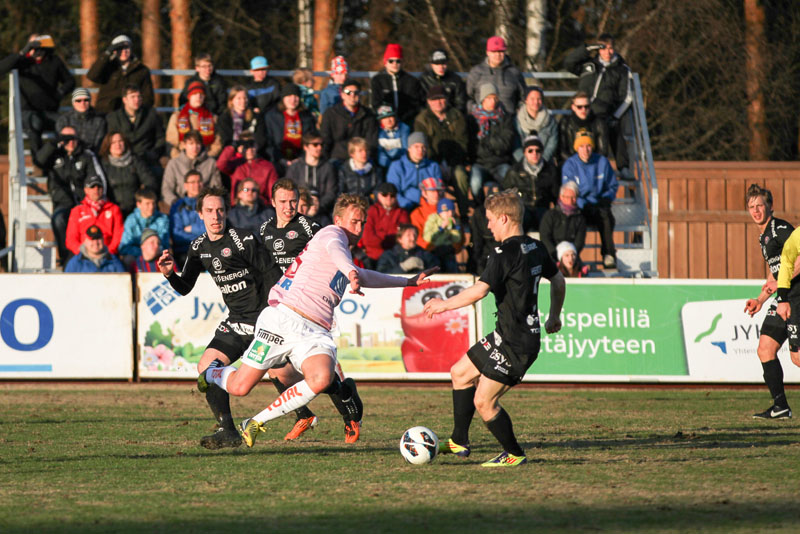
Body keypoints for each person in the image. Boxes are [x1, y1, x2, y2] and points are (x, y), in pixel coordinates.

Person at [197, 194, 437, 448]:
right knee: (239, 386)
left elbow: (364, 275)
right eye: (354, 221)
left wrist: (407, 281)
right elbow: (340, 255)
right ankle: (212, 372)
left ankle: (255, 422)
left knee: (322, 378)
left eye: (363, 223)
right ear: (338, 220)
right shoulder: (331, 235)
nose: (359, 228)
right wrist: (351, 271)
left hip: (314, 331)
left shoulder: (342, 255)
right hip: (283, 319)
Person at [424, 189, 566, 467]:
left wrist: (444, 305)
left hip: (517, 345)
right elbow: (559, 281)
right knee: (460, 373)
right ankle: (459, 442)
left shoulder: (503, 252)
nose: (487, 226)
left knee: (484, 402)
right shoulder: (536, 247)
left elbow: (478, 292)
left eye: (490, 220)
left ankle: (514, 454)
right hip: (509, 336)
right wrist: (554, 317)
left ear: (503, 218)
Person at [156, 186, 277, 450]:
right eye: (209, 211)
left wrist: (273, 315)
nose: (216, 216)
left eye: (220, 210)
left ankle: (338, 401)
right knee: (205, 367)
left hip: (264, 321)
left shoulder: (242, 239)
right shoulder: (198, 247)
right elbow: (186, 287)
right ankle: (227, 430)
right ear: (200, 214)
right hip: (236, 322)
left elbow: (271, 276)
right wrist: (170, 275)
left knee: (293, 375)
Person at [744, 184, 795, 419]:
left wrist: (782, 280)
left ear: (770, 207)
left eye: (759, 206)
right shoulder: (764, 237)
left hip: (796, 297)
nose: (755, 211)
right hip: (782, 298)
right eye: (751, 207)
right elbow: (775, 272)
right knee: (765, 348)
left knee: (797, 358)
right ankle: (780, 407)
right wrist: (761, 299)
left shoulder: (780, 228)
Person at [564, 34, 633, 178]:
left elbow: (627, 96)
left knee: (614, 127)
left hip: (604, 112)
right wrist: (587, 48)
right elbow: (569, 62)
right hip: (582, 110)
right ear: (598, 49)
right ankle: (569, 165)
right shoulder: (589, 65)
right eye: (604, 48)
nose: (608, 52)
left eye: (611, 48)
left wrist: (616, 115)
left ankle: (622, 167)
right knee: (565, 125)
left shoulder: (621, 69)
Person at [36, 126, 105, 264]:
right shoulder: (54, 155)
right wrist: (54, 144)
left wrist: (92, 199)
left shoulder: (86, 155)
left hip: (83, 202)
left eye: (73, 138)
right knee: (59, 220)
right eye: (66, 139)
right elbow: (39, 161)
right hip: (63, 202)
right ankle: (66, 257)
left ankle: (94, 258)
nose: (70, 142)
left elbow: (95, 178)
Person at [0, 34, 74, 163]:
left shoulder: (54, 61)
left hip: (50, 112)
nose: (36, 49)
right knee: (35, 123)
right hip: (28, 113)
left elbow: (70, 81)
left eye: (39, 45)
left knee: (66, 125)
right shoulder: (22, 62)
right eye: (32, 45)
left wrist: (60, 93)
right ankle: (39, 164)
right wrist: (23, 52)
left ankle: (63, 163)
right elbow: (2, 68)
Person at [561, 130, 619, 269]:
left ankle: (609, 254)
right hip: (580, 205)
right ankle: (573, 257)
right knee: (574, 220)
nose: (585, 150)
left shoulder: (602, 162)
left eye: (588, 146)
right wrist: (580, 203)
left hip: (599, 204)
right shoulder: (570, 165)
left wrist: (607, 198)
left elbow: (613, 185)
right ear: (577, 148)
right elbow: (568, 189)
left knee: (606, 217)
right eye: (581, 146)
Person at [414, 85, 470, 215]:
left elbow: (463, 142)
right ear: (428, 102)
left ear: (446, 99)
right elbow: (423, 145)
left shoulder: (456, 116)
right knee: (432, 183)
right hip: (433, 163)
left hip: (455, 162)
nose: (438, 102)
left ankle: (464, 214)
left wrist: (454, 162)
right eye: (434, 99)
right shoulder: (422, 119)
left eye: (441, 99)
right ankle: (435, 216)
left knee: (461, 176)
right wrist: (436, 163)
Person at [502, 133, 560, 232]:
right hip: (523, 208)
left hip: (542, 208)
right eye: (530, 150)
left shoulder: (550, 170)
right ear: (524, 152)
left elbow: (556, 195)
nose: (534, 154)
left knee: (550, 225)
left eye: (538, 150)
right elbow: (506, 196)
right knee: (517, 224)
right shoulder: (514, 171)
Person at [105, 85, 166, 174]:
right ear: (124, 100)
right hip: (123, 158)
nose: (136, 100)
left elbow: (160, 137)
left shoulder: (151, 115)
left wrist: (153, 153)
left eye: (139, 96)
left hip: (147, 158)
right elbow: (110, 140)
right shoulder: (113, 118)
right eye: (133, 97)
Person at [87, 34, 154, 114]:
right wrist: (106, 54)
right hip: (106, 112)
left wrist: (139, 113)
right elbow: (92, 76)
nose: (124, 51)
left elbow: (148, 96)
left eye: (127, 48)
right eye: (119, 48)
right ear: (114, 51)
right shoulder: (107, 67)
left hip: (131, 113)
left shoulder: (141, 70)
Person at [468, 83, 515, 197]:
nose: (493, 101)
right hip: (479, 163)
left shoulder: (505, 118)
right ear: (483, 99)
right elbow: (472, 145)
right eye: (489, 98)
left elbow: (506, 143)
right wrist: (493, 144)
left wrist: (486, 142)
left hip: (500, 162)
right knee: (475, 182)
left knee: (510, 182)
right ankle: (479, 208)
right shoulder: (472, 119)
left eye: (495, 98)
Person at [98, 131, 157, 217]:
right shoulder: (103, 164)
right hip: (111, 210)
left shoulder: (135, 160)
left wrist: (142, 198)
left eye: (120, 141)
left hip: (135, 209)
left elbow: (150, 181)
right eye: (113, 142)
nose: (118, 145)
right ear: (108, 146)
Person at [320, 78, 378, 164]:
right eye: (348, 92)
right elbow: (326, 139)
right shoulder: (331, 114)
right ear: (342, 95)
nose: (352, 95)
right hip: (337, 157)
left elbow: (371, 141)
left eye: (356, 93)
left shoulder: (368, 115)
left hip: (361, 158)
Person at [65, 175, 124, 256]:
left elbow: (118, 236)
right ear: (86, 190)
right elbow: (71, 240)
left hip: (107, 253)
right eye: (92, 187)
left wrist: (108, 253)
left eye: (99, 186)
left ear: (103, 189)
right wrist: (84, 253)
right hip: (83, 254)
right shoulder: (77, 211)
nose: (96, 189)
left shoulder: (114, 209)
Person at [264, 83, 317, 172]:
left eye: (296, 96)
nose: (293, 100)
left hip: (302, 161)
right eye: (289, 96)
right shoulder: (272, 117)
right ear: (283, 98)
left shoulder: (307, 117)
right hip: (277, 161)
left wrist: (301, 159)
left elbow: (311, 140)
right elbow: (268, 142)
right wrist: (282, 160)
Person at [162, 131, 223, 207]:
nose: (195, 147)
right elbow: (167, 189)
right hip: (180, 204)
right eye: (191, 144)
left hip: (205, 205)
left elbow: (216, 188)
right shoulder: (173, 164)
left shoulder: (211, 163)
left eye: (198, 144)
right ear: (184, 145)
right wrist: (176, 203)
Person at [466, 36, 525, 114]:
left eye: (501, 51)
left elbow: (523, 97)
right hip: (482, 121)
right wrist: (476, 110)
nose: (498, 55)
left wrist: (519, 112)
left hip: (508, 121)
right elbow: (468, 97)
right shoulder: (476, 72)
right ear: (487, 52)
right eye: (494, 51)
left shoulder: (514, 72)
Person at [216, 134, 278, 207]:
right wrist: (233, 146)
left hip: (260, 207)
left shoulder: (267, 166)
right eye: (246, 147)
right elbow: (220, 164)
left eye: (252, 145)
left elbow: (273, 192)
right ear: (239, 148)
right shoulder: (235, 164)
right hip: (237, 207)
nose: (249, 150)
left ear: (257, 146)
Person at [387, 132, 443, 210]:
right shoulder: (397, 166)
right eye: (416, 146)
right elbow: (394, 191)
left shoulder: (433, 166)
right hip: (404, 207)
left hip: (428, 207)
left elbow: (438, 190)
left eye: (423, 147)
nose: (420, 150)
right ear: (409, 148)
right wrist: (407, 205)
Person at [286, 133, 338, 217]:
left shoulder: (328, 167)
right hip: (297, 211)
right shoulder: (295, 167)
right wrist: (302, 205)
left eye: (321, 144)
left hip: (322, 212)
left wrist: (318, 205)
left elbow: (331, 192)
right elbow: (289, 189)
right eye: (315, 145)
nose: (319, 147)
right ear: (305, 147)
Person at [370, 43, 423, 126]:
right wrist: (387, 118)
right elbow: (376, 103)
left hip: (406, 121)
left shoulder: (411, 81)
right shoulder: (377, 80)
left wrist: (403, 119)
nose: (394, 64)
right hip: (385, 121)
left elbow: (415, 104)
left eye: (398, 61)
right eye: (391, 61)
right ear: (385, 62)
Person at [166, 81, 220, 158]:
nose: (198, 97)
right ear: (189, 96)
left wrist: (207, 157)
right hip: (181, 158)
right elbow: (171, 142)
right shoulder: (177, 117)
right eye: (195, 94)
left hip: (205, 158)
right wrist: (179, 158)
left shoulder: (212, 118)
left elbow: (217, 143)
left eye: (201, 94)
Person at [361, 182, 410, 267]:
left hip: (395, 257)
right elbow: (367, 238)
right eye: (385, 194)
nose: (388, 198)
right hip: (372, 256)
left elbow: (404, 239)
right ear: (378, 195)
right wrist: (390, 240)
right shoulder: (371, 211)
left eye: (392, 195)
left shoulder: (402, 213)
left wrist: (380, 237)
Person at [119, 187, 170, 264]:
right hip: (137, 256)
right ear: (138, 204)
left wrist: (153, 251)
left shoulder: (162, 219)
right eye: (147, 203)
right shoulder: (131, 220)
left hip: (157, 254)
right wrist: (145, 252)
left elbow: (165, 244)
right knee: (127, 259)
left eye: (153, 203)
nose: (151, 207)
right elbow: (124, 247)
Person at [539, 181, 587, 261]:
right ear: (561, 197)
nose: (571, 201)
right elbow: (545, 237)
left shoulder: (580, 218)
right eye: (568, 197)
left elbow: (579, 241)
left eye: (574, 197)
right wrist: (555, 254)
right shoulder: (550, 215)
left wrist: (570, 254)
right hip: (552, 256)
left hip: (571, 256)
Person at [558, 92, 609, 164]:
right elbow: (561, 151)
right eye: (579, 107)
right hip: (571, 164)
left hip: (593, 164)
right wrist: (578, 163)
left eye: (586, 106)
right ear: (573, 107)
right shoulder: (565, 123)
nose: (583, 109)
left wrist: (588, 163)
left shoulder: (599, 123)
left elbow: (603, 151)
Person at [216, 85, 268, 153]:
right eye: (239, 98)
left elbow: (261, 138)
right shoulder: (224, 118)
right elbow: (225, 139)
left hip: (253, 152)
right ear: (231, 100)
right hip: (232, 153)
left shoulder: (256, 116)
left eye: (245, 98)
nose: (243, 101)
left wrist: (250, 150)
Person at [169, 170, 206, 262]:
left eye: (199, 182)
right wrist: (200, 238)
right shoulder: (177, 207)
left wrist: (192, 228)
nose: (196, 185)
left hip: (207, 250)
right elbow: (177, 235)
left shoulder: (209, 204)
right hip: (184, 251)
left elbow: (212, 230)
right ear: (185, 185)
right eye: (192, 182)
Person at [514, 86, 557, 163]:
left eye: (539, 99)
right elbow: (515, 146)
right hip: (521, 163)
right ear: (526, 100)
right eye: (532, 99)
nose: (536, 102)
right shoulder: (517, 121)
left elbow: (552, 144)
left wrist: (542, 160)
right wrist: (525, 162)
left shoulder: (550, 121)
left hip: (545, 162)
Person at [56, 88, 107, 153]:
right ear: (73, 103)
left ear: (90, 102)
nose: (82, 103)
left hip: (91, 156)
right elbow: (61, 143)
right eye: (78, 100)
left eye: (86, 100)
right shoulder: (64, 120)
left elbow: (98, 145)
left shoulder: (99, 121)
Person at [419, 48, 467, 113]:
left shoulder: (456, 80)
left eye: (443, 63)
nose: (441, 67)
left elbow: (461, 103)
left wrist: (451, 116)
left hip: (452, 116)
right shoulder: (424, 79)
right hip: (430, 117)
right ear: (431, 65)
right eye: (437, 64)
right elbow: (420, 103)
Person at [423, 198, 465, 273]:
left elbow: (457, 239)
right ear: (440, 212)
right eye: (446, 211)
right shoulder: (433, 219)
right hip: (434, 250)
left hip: (448, 251)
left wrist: (455, 228)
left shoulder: (455, 220)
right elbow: (428, 237)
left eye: (451, 211)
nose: (449, 214)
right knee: (435, 269)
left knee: (451, 267)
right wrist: (441, 228)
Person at [410, 177, 445, 250]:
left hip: (447, 251)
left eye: (439, 191)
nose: (436, 194)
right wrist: (433, 248)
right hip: (426, 254)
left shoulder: (448, 210)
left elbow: (458, 235)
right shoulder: (417, 214)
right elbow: (418, 239)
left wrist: (452, 247)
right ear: (424, 193)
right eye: (432, 191)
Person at [376, 105, 410, 170]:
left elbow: (405, 150)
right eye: (384, 118)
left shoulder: (404, 129)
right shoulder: (377, 132)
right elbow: (380, 154)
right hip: (384, 166)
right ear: (380, 120)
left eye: (390, 116)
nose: (388, 120)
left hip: (401, 165)